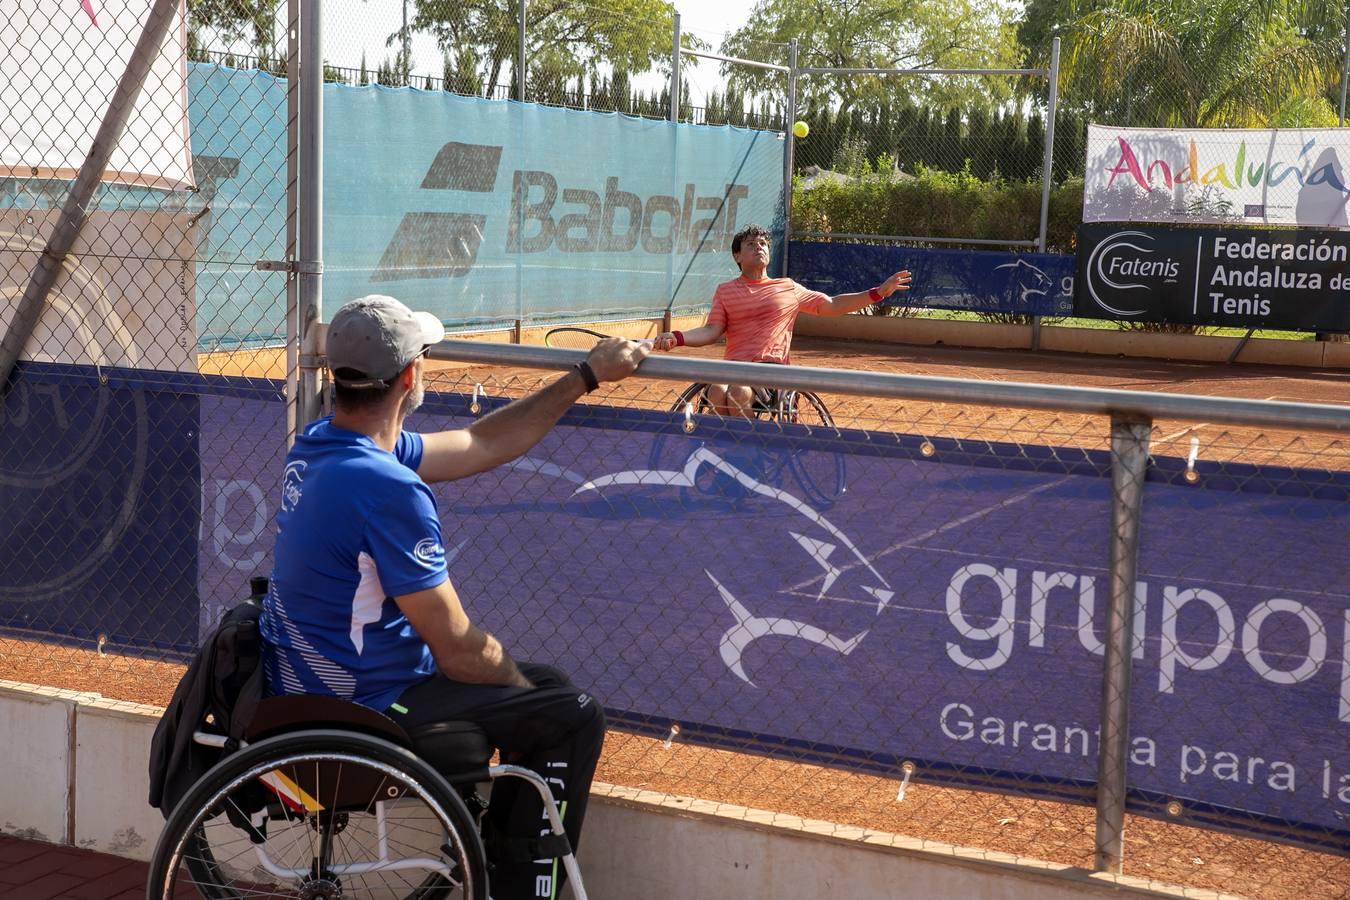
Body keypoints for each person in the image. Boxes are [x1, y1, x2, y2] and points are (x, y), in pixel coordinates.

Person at [260, 294, 648, 899]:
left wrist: (585, 376)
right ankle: (518, 887)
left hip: (311, 691)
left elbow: (480, 443)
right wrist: (515, 686)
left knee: (543, 690)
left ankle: (491, 860)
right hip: (369, 706)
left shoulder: (320, 446)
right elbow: (462, 653)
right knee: (569, 712)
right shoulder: (386, 486)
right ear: (411, 376)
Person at [653, 223, 912, 415]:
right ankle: (736, 454)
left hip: (771, 372)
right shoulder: (725, 291)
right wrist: (677, 337)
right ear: (737, 256)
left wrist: (878, 293)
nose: (759, 248)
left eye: (763, 244)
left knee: (736, 391)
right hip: (734, 368)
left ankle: (749, 457)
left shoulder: (787, 287)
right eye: (751, 245)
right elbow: (711, 330)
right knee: (717, 391)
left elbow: (831, 305)